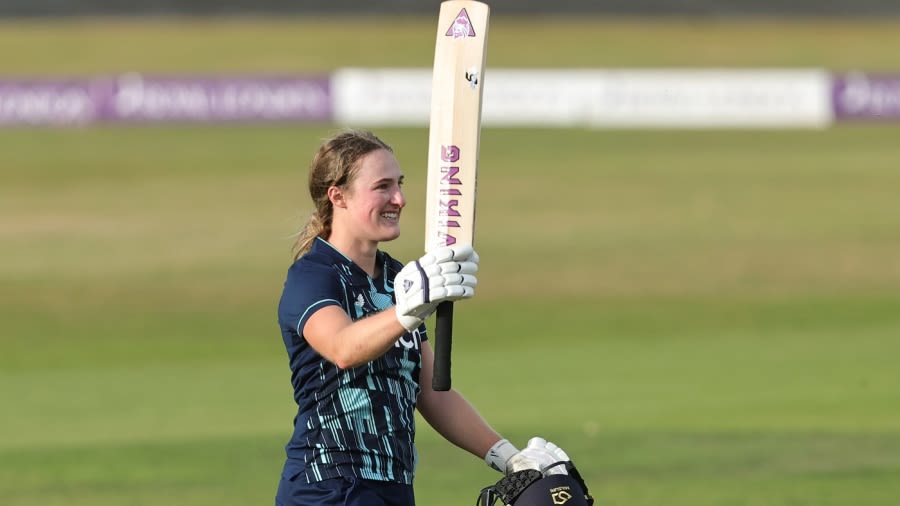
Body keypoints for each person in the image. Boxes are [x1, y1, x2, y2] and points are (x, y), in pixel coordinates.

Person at [275, 130, 568, 506]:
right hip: (328, 487)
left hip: (393, 487)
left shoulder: (398, 278)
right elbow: (343, 347)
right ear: (338, 196)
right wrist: (409, 309)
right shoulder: (313, 275)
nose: (399, 198)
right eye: (382, 186)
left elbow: (431, 392)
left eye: (399, 184)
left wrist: (509, 457)